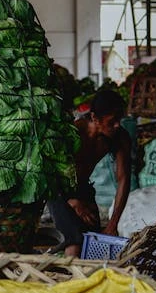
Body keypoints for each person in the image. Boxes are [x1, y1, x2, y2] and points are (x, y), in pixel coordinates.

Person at [48, 89, 132, 257]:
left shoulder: (119, 137)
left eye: (119, 119)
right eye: (112, 121)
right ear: (94, 118)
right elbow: (50, 170)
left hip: (83, 188)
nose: (117, 125)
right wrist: (72, 202)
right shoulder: (73, 133)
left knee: (94, 238)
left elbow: (124, 179)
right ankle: (72, 280)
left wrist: (113, 224)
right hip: (58, 190)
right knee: (75, 241)